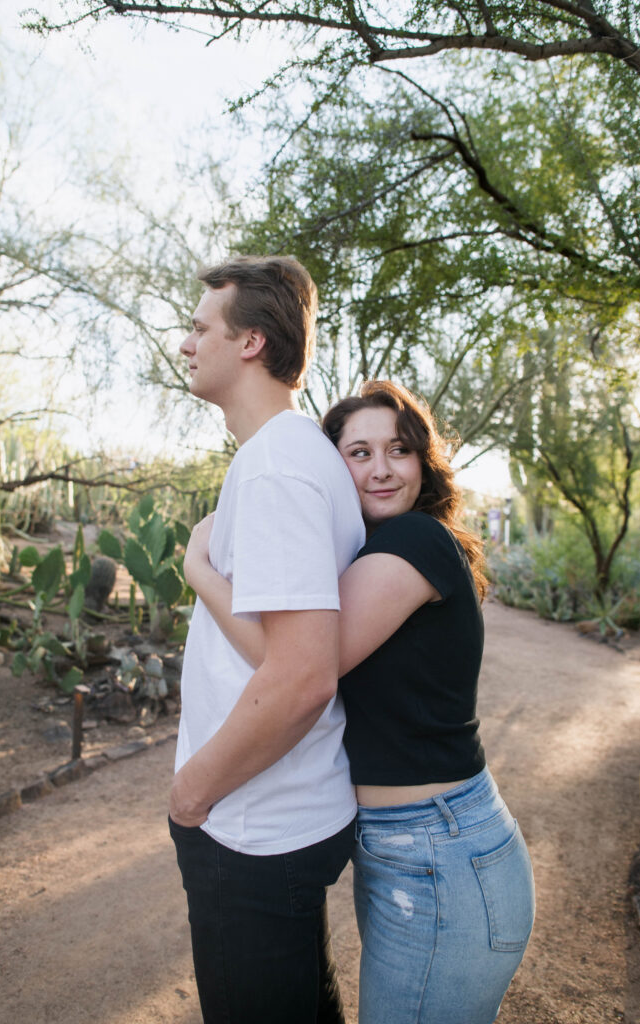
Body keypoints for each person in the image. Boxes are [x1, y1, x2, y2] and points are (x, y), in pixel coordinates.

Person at [184, 379, 536, 1024]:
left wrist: (200, 572)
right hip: (407, 846)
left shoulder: (416, 544)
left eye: (398, 451)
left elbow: (289, 665)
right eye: (358, 452)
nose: (380, 469)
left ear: (422, 464)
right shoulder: (367, 551)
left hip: (441, 846)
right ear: (332, 463)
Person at [169, 255, 365, 1024]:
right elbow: (279, 652)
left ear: (250, 342)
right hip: (275, 812)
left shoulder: (278, 466)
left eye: (199, 327)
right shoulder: (284, 455)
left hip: (249, 824)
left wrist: (193, 794)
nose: (186, 344)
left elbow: (301, 678)